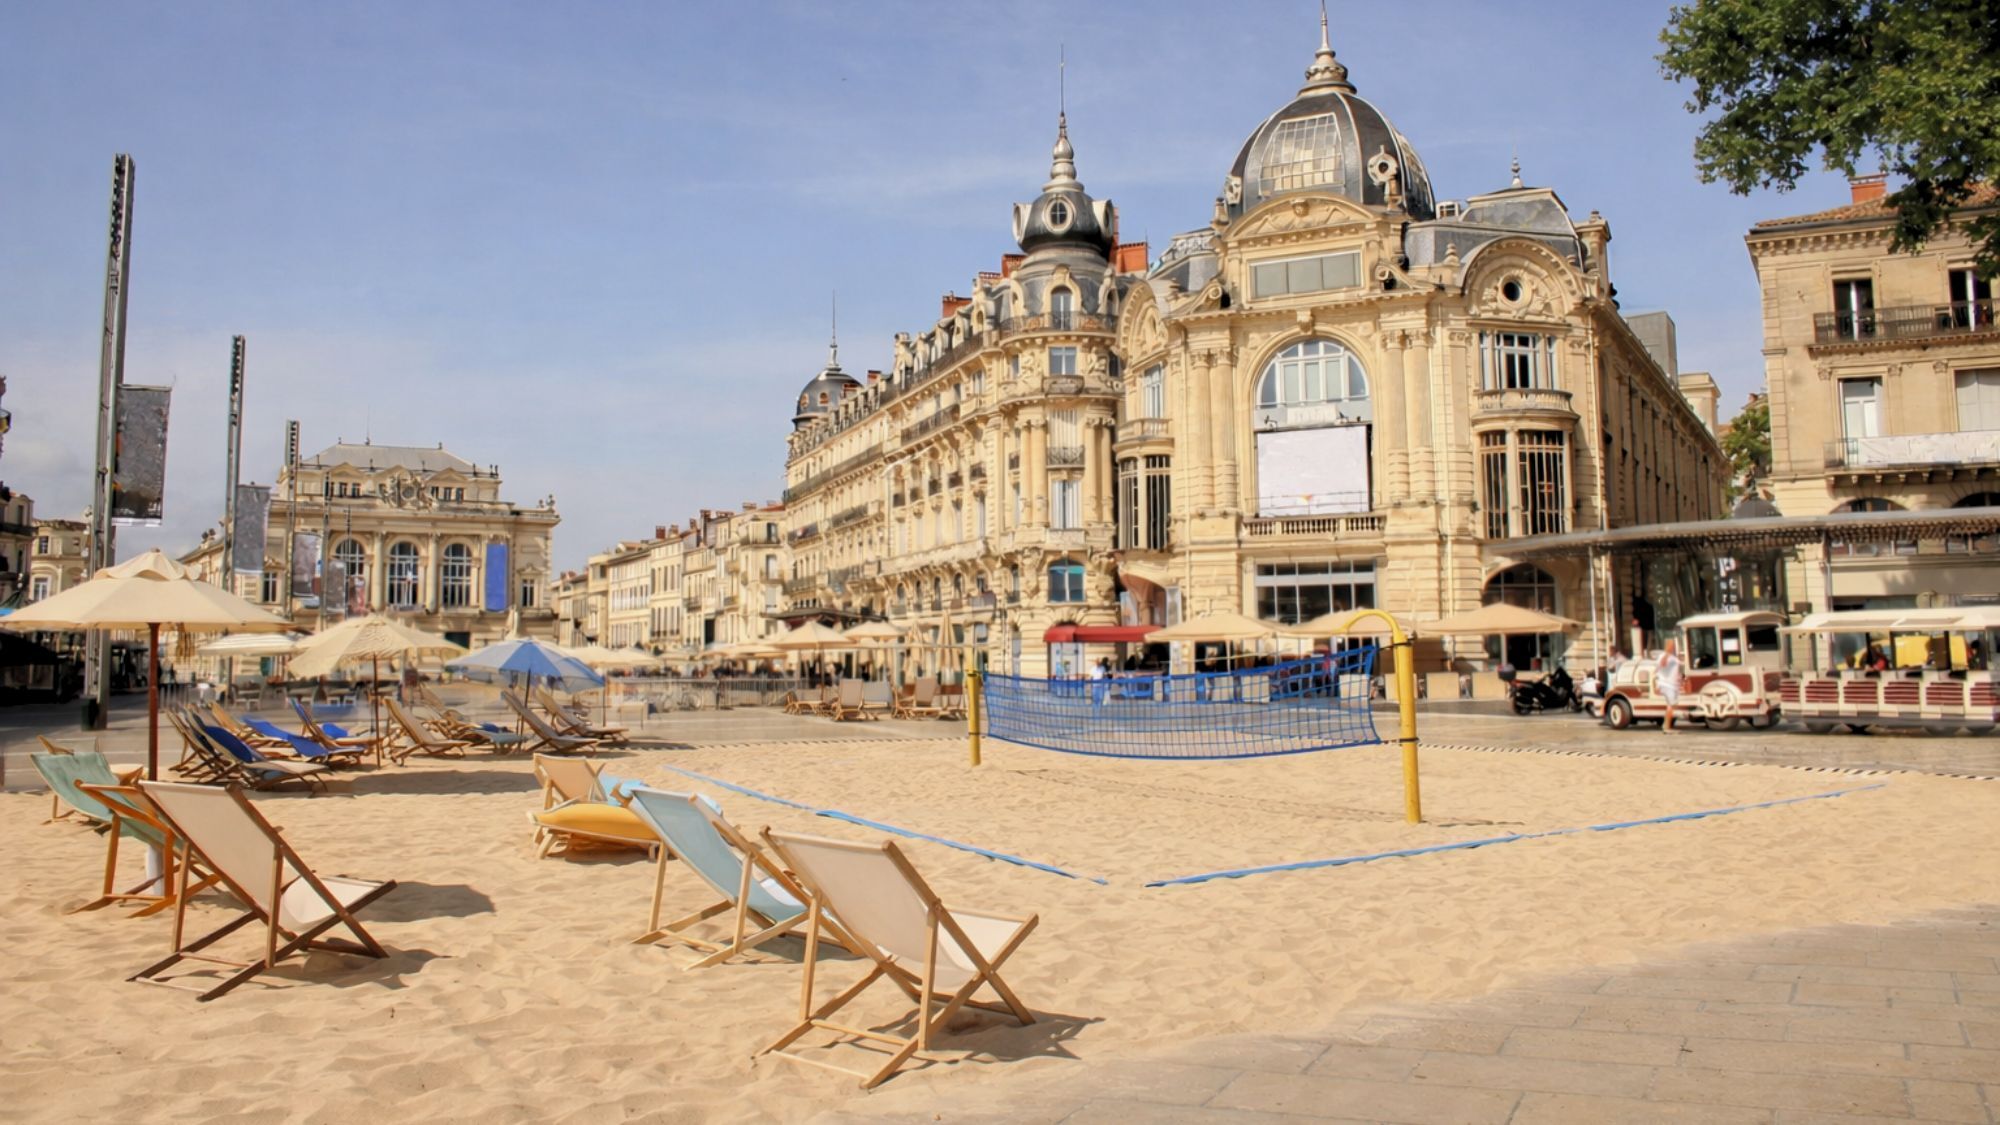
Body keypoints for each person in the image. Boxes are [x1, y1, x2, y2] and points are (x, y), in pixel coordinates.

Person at [1657, 638, 1685, 733]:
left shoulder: (1673, 658)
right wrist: (1667, 653)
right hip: (1667, 684)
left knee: (1672, 705)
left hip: (1673, 685)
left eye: (1673, 645)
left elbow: (1679, 668)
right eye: (1671, 645)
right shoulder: (1663, 656)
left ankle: (1665, 725)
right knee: (1671, 705)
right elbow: (1662, 664)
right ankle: (1666, 727)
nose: (1672, 647)